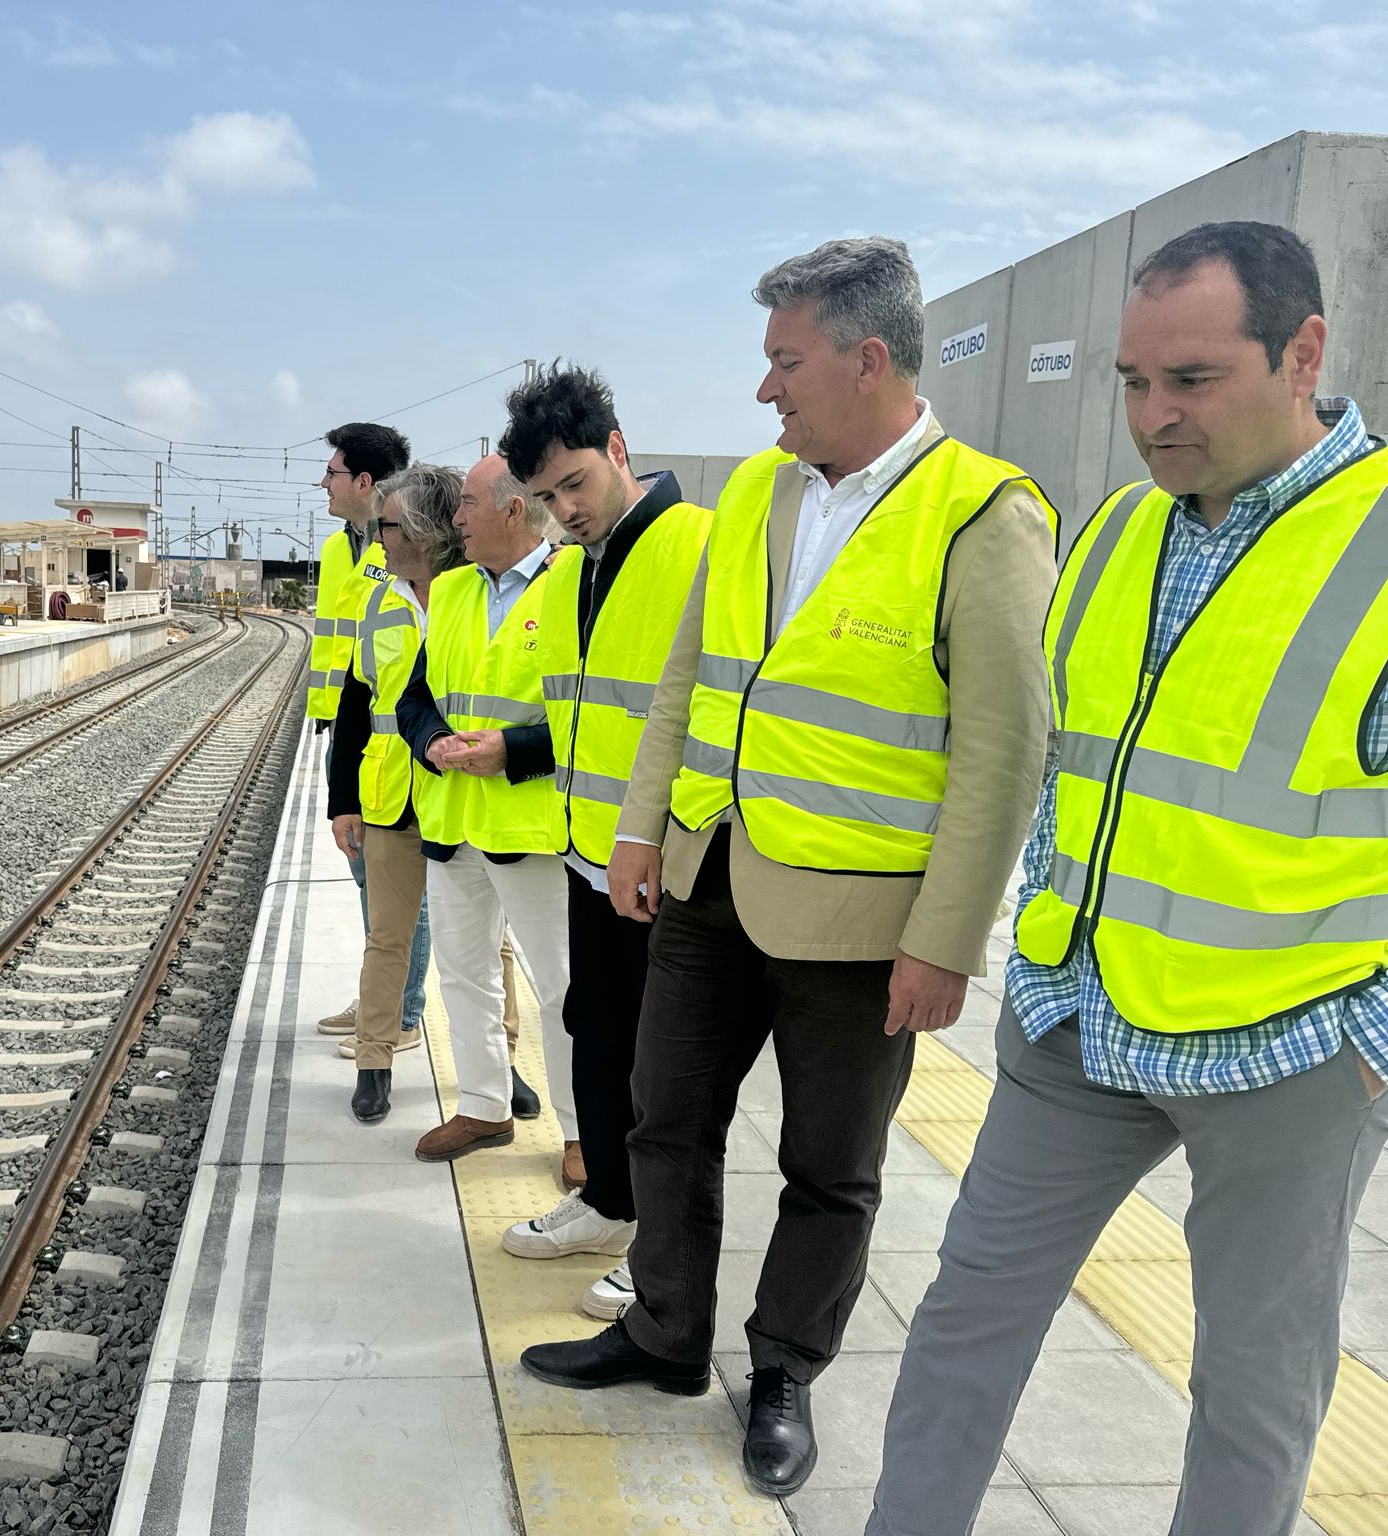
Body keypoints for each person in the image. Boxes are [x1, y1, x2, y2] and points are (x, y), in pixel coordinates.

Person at [866, 221, 1388, 1536]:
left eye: (1191, 380)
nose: (1153, 417)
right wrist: (1038, 953)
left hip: (1297, 1050)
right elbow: (1077, 762)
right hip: (1085, 1022)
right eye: (1132, 383)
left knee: (1251, 1386)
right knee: (964, 1317)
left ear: (1302, 354)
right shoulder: (1122, 529)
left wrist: (1380, 1039)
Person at [520, 236, 1058, 1498]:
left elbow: (1002, 748)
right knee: (663, 1119)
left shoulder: (983, 510)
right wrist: (641, 831)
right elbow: (686, 680)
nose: (764, 390)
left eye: (783, 361)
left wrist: (945, 940)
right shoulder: (761, 494)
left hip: (861, 922)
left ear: (866, 360)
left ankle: (780, 1372)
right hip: (710, 883)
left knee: (829, 1165)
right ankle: (661, 1332)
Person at [495, 364, 712, 1318]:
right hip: (589, 853)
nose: (562, 511)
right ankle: (610, 1201)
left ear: (620, 451)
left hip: (664, 859)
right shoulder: (580, 566)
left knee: (665, 1069)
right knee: (596, 1031)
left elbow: (703, 710)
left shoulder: (697, 547)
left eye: (574, 484)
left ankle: (660, 1245)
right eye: (543, 498)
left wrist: (660, 838)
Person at [397, 455, 577, 1177]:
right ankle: (483, 1105)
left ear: (512, 510)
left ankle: (583, 1132)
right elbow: (416, 698)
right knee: (464, 975)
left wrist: (518, 749)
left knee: (565, 989)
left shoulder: (575, 585)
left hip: (533, 828)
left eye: (467, 504)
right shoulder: (453, 591)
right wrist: (431, 739)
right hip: (455, 823)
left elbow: (597, 712)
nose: (455, 519)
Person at [327, 465, 469, 1121]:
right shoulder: (379, 598)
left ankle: (498, 1074)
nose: (377, 537)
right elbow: (356, 703)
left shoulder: (480, 592)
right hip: (390, 795)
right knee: (387, 938)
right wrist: (341, 801)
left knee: (484, 945)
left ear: (426, 530)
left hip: (468, 795)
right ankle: (374, 1062)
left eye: (387, 525)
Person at [307, 423, 432, 1053]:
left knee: (403, 888)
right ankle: (380, 999)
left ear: (363, 481)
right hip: (356, 731)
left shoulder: (407, 547)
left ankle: (402, 1012)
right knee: (368, 880)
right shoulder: (341, 550)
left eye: (331, 472)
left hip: (410, 739)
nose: (322, 484)